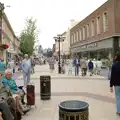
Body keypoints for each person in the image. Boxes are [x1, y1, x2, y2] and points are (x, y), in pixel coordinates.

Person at [110, 51, 120, 116]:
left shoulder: (114, 65)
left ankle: (119, 111)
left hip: (117, 84)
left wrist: (111, 86)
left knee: (118, 97)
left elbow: (112, 76)